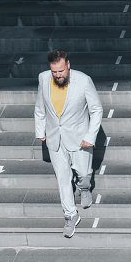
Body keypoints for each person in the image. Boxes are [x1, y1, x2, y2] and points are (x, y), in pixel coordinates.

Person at [34, 49, 103, 238]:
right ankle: (70, 215)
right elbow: (40, 107)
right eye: (54, 72)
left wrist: (90, 135)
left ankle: (84, 187)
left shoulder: (83, 80)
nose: (58, 75)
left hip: (80, 137)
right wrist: (40, 130)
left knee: (83, 172)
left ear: (68, 65)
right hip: (55, 138)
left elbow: (96, 109)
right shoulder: (43, 78)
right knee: (62, 177)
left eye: (61, 71)